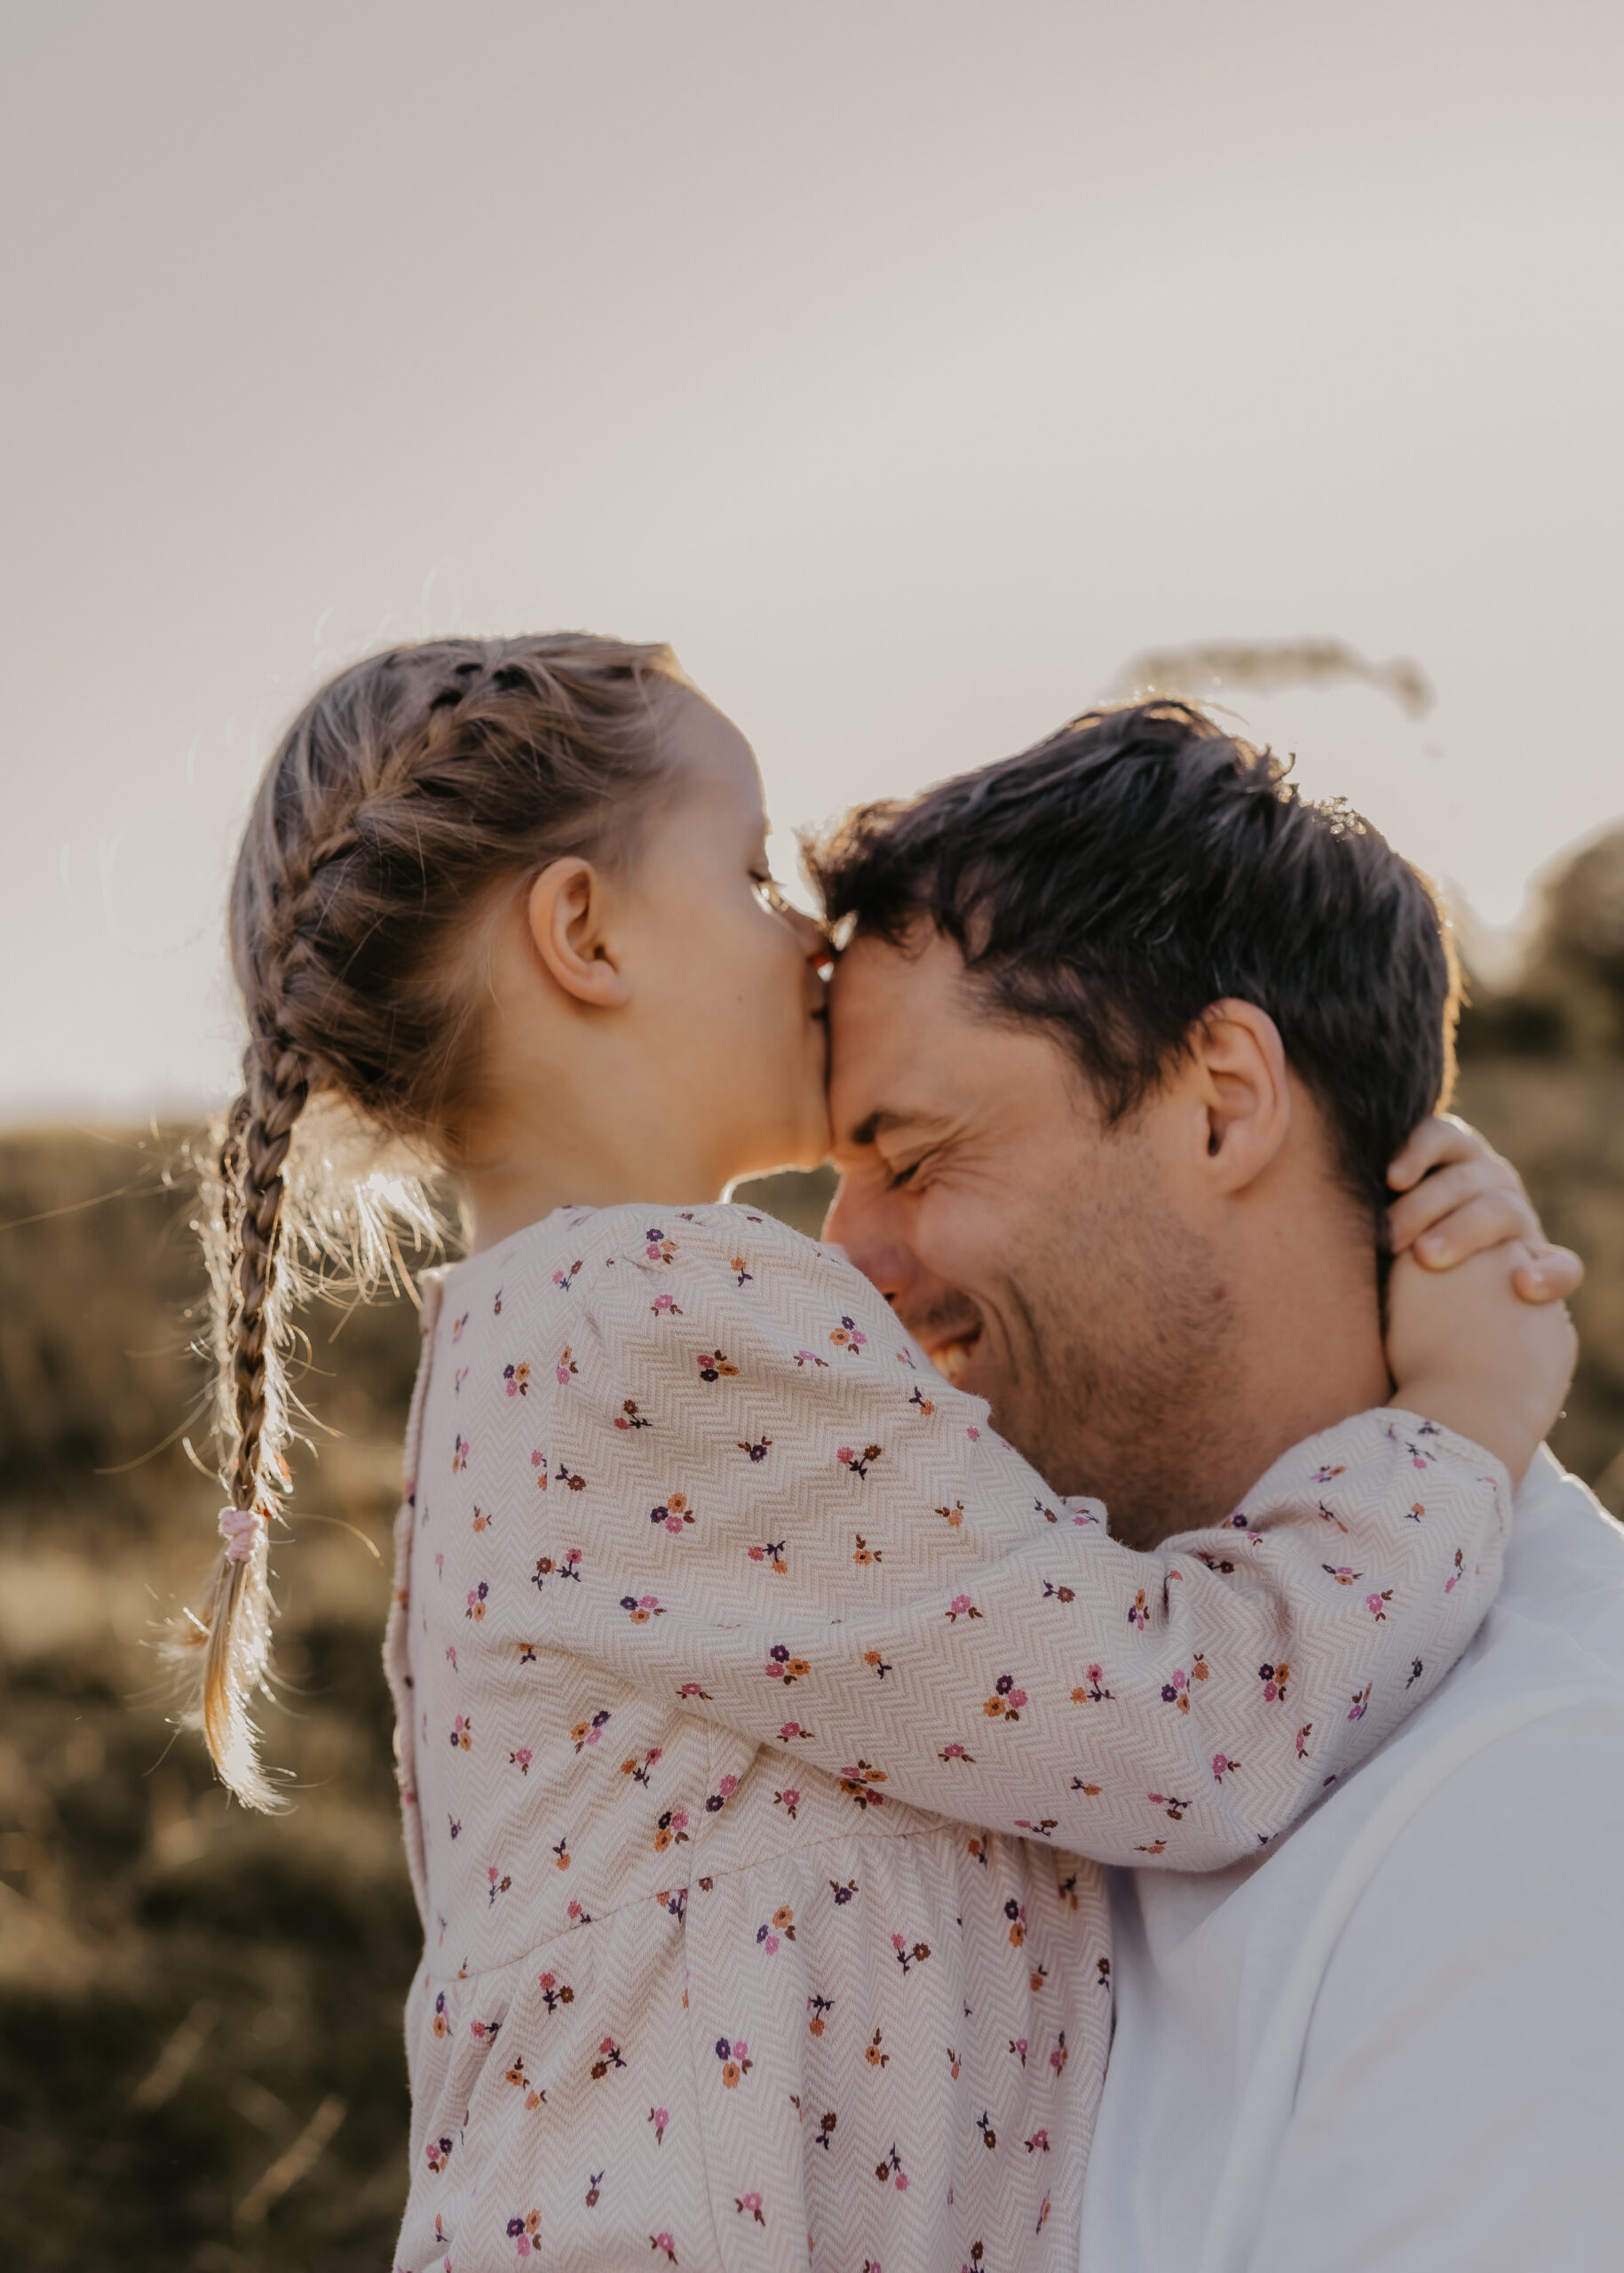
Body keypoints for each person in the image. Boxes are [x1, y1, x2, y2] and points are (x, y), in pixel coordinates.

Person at [184, 640, 1567, 2273]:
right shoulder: (667, 1327)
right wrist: (1457, 1430)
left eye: (923, 1156)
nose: (804, 944)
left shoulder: (553, 1347)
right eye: (750, 867)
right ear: (582, 932)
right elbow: (1187, 1718)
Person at [812, 698, 1620, 2272]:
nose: (844, 1266)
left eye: (912, 1160)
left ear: (1220, 1103)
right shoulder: (1016, 1672)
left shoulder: (1542, 1809)